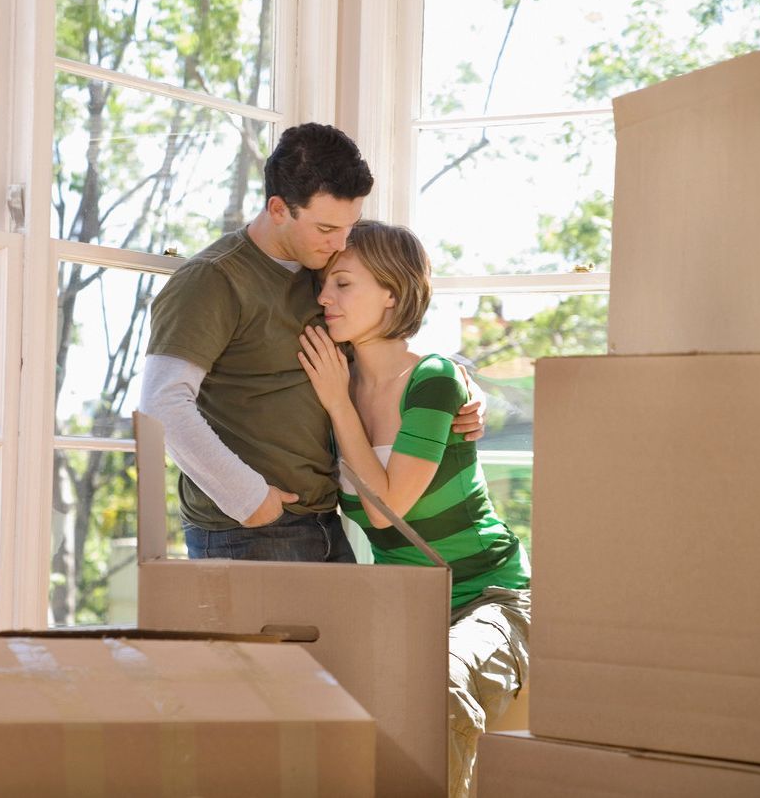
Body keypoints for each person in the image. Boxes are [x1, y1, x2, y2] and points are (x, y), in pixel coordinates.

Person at [140, 122, 486, 562]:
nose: (340, 242)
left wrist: (457, 382)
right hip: (248, 530)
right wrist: (249, 499)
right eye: (326, 228)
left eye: (348, 226)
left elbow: (384, 336)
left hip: (326, 522)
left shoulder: (319, 271)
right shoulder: (213, 279)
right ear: (278, 209)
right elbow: (162, 402)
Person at [297, 220, 530, 798]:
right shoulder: (336, 377)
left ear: (392, 292)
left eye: (343, 283)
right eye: (324, 284)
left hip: (493, 596)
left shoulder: (433, 378)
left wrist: (338, 406)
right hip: (410, 604)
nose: (325, 297)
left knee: (439, 687)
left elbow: (386, 511)